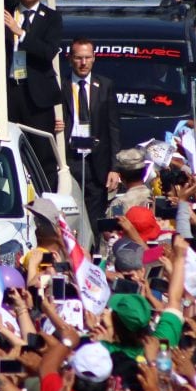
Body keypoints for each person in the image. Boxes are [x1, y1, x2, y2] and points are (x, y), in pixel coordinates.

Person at [4, 0, 62, 190]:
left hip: (37, 97)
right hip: (10, 91)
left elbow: (48, 52)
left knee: (43, 154)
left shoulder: (51, 18)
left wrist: (20, 33)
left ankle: (47, 201)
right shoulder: (7, 13)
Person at [61, 38, 120, 245]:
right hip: (70, 158)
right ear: (70, 59)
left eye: (87, 58)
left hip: (97, 162)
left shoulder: (105, 86)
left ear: (94, 59)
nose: (83, 63)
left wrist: (114, 167)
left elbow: (113, 128)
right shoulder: (62, 85)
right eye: (78, 58)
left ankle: (92, 254)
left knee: (95, 217)